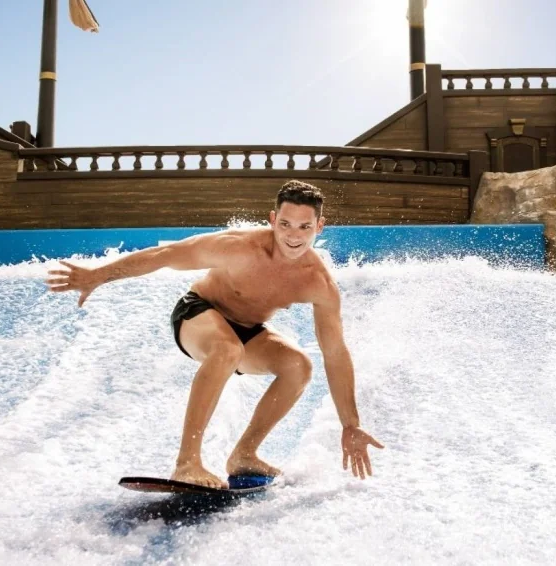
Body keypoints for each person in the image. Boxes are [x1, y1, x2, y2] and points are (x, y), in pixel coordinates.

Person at [46, 180, 384, 489]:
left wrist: (350, 424)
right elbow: (165, 255)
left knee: (299, 366)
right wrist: (99, 275)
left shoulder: (319, 283)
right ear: (272, 219)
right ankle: (186, 463)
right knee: (226, 348)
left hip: (248, 331)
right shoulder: (237, 247)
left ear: (319, 227)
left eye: (304, 227)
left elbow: (335, 353)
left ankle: (244, 455)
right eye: (285, 224)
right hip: (197, 314)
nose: (293, 236)